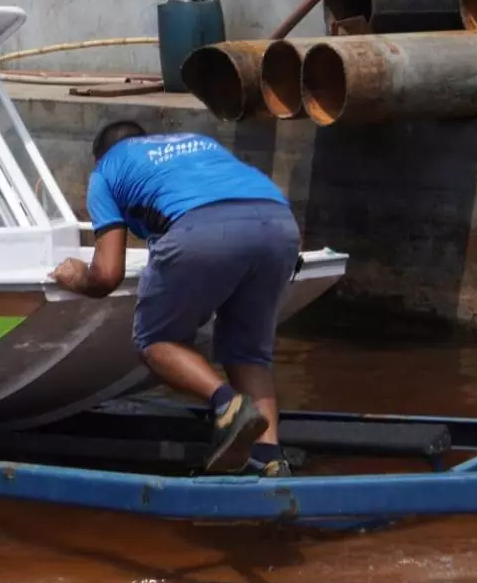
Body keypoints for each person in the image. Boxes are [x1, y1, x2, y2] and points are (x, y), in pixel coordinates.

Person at [50, 121, 300, 476]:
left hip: (203, 228)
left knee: (156, 340)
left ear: (97, 157)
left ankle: (228, 405)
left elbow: (107, 274)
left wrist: (77, 277)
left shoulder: (105, 172)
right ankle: (269, 457)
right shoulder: (196, 142)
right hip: (279, 224)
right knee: (247, 353)